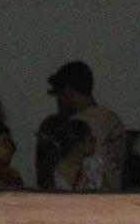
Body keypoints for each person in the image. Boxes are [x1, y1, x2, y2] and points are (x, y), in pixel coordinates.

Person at [46, 61, 125, 190]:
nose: (59, 99)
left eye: (60, 92)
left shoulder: (79, 125)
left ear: (69, 90)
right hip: (115, 196)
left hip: (90, 199)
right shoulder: (112, 119)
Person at [50, 118, 100, 191]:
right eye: (91, 140)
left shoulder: (94, 161)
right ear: (78, 146)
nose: (94, 142)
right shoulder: (55, 173)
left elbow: (109, 192)